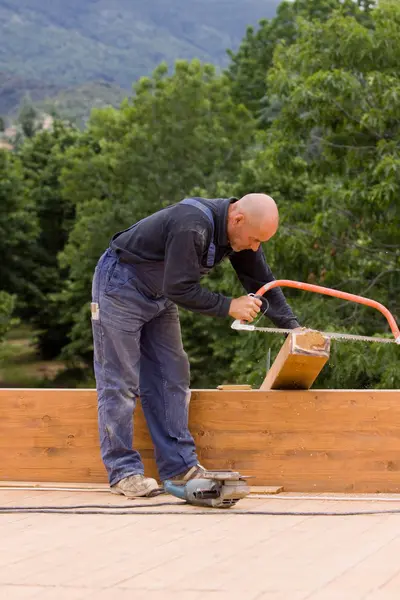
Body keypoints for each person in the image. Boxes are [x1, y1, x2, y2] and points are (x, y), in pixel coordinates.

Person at [90, 193, 300, 498]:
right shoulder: (194, 226)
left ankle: (179, 467)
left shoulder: (238, 234)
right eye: (255, 239)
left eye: (260, 242)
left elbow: (260, 279)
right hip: (120, 286)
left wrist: (293, 329)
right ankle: (123, 472)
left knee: (172, 376)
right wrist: (229, 306)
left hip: (160, 294)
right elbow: (180, 287)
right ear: (237, 219)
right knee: (119, 381)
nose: (255, 247)